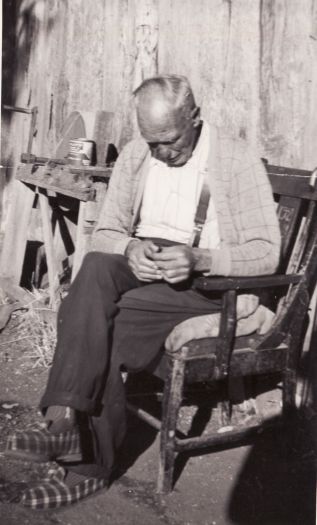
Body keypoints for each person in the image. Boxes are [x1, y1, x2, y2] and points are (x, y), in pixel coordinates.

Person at [6, 75, 281, 509]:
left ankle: (84, 460)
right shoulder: (137, 156)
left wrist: (202, 259)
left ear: (194, 118)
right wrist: (129, 247)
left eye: (169, 141)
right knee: (96, 269)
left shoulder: (235, 160)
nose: (161, 153)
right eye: (152, 142)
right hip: (146, 270)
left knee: (102, 325)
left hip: (208, 287)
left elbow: (267, 254)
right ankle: (67, 425)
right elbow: (105, 234)